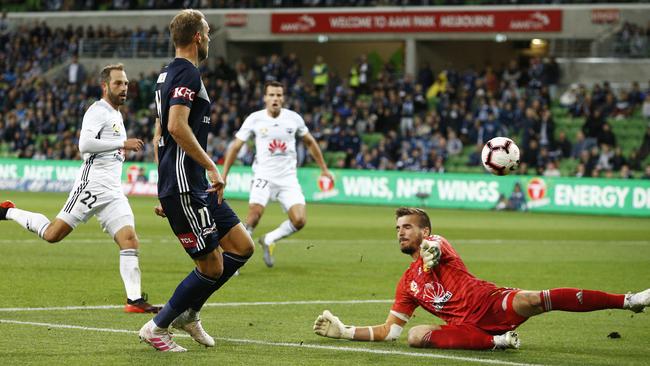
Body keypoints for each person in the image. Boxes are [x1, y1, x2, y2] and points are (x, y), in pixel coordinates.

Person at [313, 207, 650, 350]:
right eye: (397, 229)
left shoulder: (438, 244)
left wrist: (431, 248)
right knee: (415, 335)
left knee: (534, 299)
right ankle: (498, 343)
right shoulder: (407, 283)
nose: (400, 233)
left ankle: (629, 301)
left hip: (492, 303)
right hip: (467, 329)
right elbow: (390, 332)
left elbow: (436, 246)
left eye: (407, 227)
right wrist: (345, 332)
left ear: (424, 230)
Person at [138, 9, 254, 353]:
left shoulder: (166, 74)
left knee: (242, 246)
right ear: (198, 38)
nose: (210, 39)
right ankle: (157, 327)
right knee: (213, 264)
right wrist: (213, 167)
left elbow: (160, 131)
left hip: (188, 181)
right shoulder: (187, 72)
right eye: (208, 32)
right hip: (187, 182)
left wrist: (165, 183)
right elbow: (175, 126)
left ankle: (189, 313)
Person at [0, 64, 159, 314]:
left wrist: (119, 152)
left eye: (126, 83)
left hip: (113, 190)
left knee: (129, 240)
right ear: (105, 86)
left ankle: (134, 300)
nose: (124, 88)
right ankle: (8, 211)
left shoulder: (116, 114)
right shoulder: (98, 110)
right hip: (92, 185)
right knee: (53, 234)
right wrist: (122, 143)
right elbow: (84, 145)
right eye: (118, 83)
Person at [221, 80, 333, 268]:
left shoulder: (293, 119)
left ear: (283, 97)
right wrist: (224, 174)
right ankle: (234, 260)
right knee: (254, 215)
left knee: (299, 220)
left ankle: (269, 239)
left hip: (288, 179)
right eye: (271, 95)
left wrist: (324, 168)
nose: (275, 98)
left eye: (279, 95)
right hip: (263, 176)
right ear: (265, 98)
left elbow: (311, 143)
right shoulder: (255, 119)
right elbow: (235, 147)